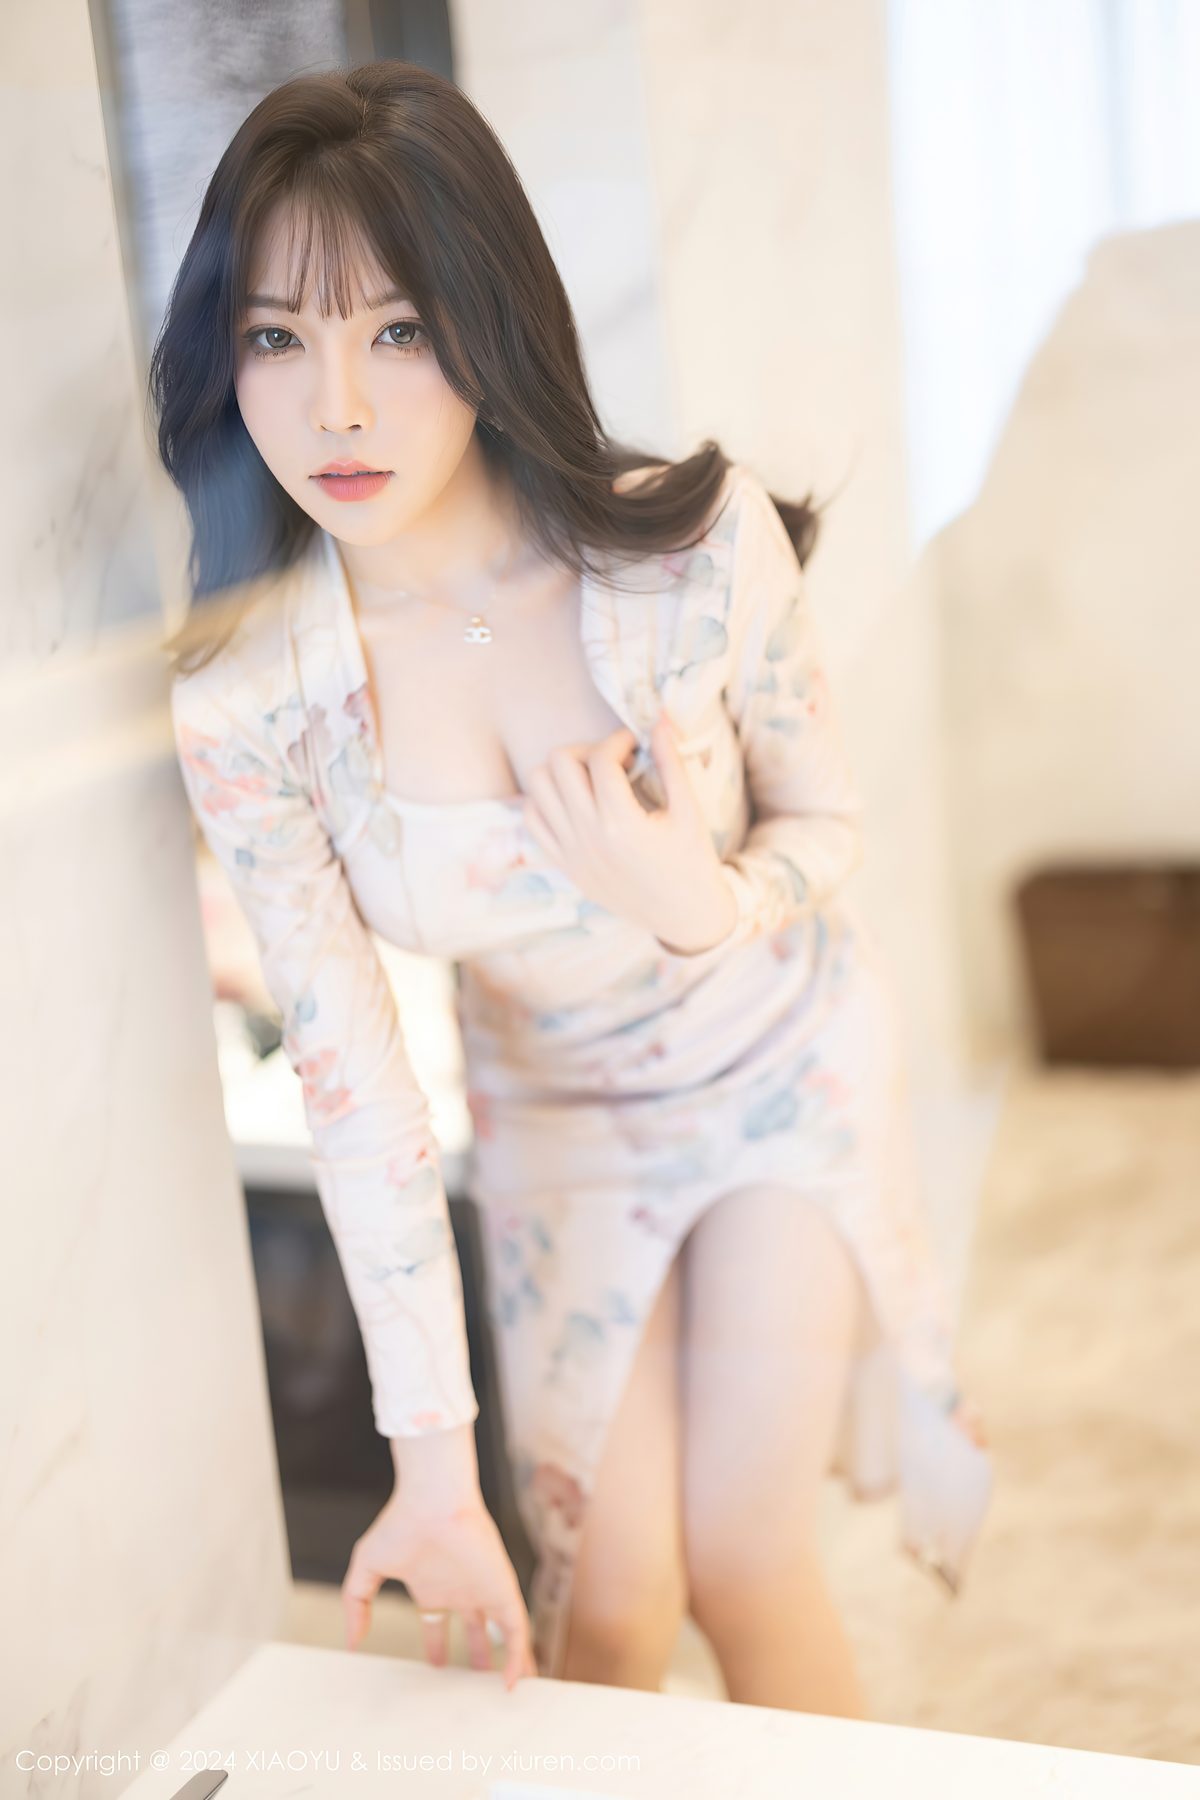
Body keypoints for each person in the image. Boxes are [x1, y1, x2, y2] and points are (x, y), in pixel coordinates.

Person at [155, 58, 993, 1711]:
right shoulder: (251, 703)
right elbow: (358, 1097)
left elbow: (830, 825)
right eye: (277, 337)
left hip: (776, 1056)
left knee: (742, 1561)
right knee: (607, 1616)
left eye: (398, 329)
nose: (337, 406)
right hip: (551, 1112)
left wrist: (694, 898)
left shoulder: (695, 548)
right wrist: (432, 1469)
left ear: (487, 317)